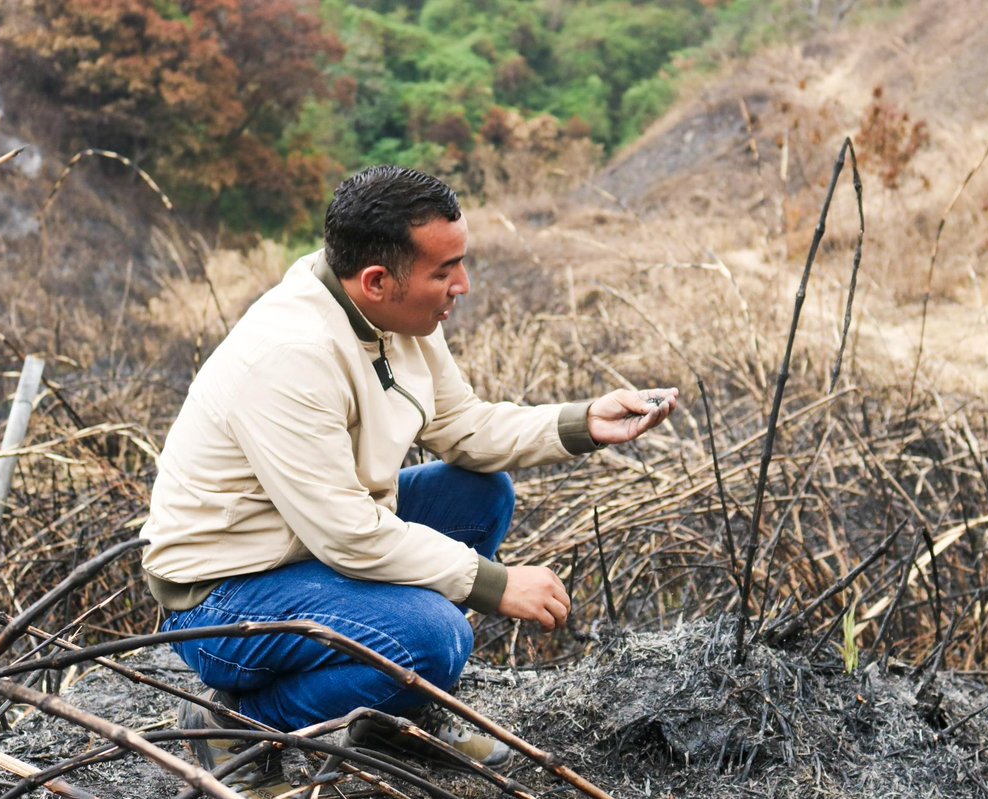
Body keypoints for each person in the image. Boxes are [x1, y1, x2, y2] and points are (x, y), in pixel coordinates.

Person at [140, 164, 678, 795]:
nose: (463, 285)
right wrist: (494, 584)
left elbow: (466, 428)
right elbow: (351, 536)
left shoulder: (392, 316)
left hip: (307, 544)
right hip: (225, 593)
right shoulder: (290, 356)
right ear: (377, 280)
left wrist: (584, 422)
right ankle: (235, 721)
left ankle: (390, 707)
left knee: (479, 491)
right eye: (444, 271)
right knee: (436, 636)